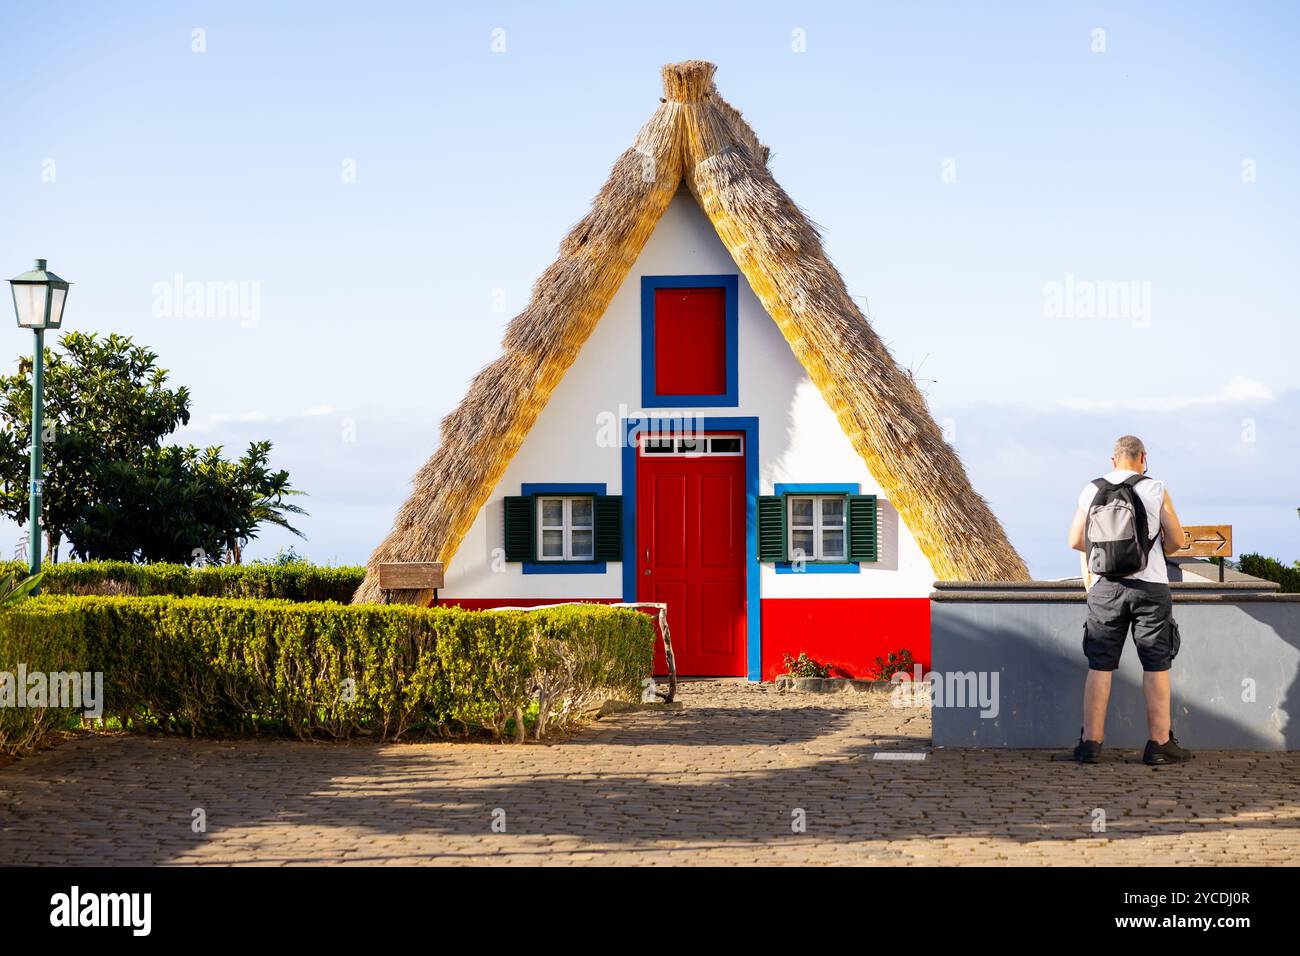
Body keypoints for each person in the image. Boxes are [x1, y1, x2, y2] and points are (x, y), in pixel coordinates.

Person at [1067, 435, 1191, 765]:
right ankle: (1159, 744)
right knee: (1156, 663)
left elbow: (1075, 540)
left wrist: (1109, 554)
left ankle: (1090, 743)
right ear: (1143, 458)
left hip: (1105, 587)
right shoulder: (1155, 488)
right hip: (1150, 587)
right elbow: (1177, 540)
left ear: (1113, 460)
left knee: (1100, 664)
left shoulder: (1092, 489)